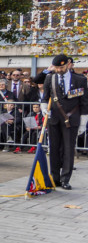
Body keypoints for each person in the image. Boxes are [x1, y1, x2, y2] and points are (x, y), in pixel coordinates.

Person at [33, 54, 88, 189]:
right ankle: (55, 178)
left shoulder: (80, 79)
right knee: (54, 149)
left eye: (61, 67)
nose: (58, 70)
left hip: (72, 118)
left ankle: (65, 179)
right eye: (56, 67)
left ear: (68, 64)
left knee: (69, 149)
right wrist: (44, 107)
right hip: (54, 119)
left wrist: (83, 120)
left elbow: (84, 101)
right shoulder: (49, 78)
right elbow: (45, 97)